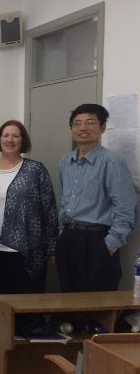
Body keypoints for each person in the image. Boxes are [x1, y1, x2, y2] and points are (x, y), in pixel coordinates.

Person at [56, 103, 136, 292]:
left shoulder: (112, 162)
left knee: (97, 301)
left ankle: (95, 324)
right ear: (71, 129)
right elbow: (63, 202)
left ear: (102, 128)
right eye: (77, 123)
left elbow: (126, 208)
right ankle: (72, 323)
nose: (83, 128)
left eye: (90, 122)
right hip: (68, 238)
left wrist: (109, 245)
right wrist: (61, 234)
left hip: (97, 240)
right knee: (69, 295)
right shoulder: (65, 162)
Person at [0, 120, 58, 294]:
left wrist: (52, 246)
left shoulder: (36, 169)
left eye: (15, 136)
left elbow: (49, 209)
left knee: (25, 305)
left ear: (22, 141)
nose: (10, 140)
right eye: (6, 135)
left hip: (27, 250)